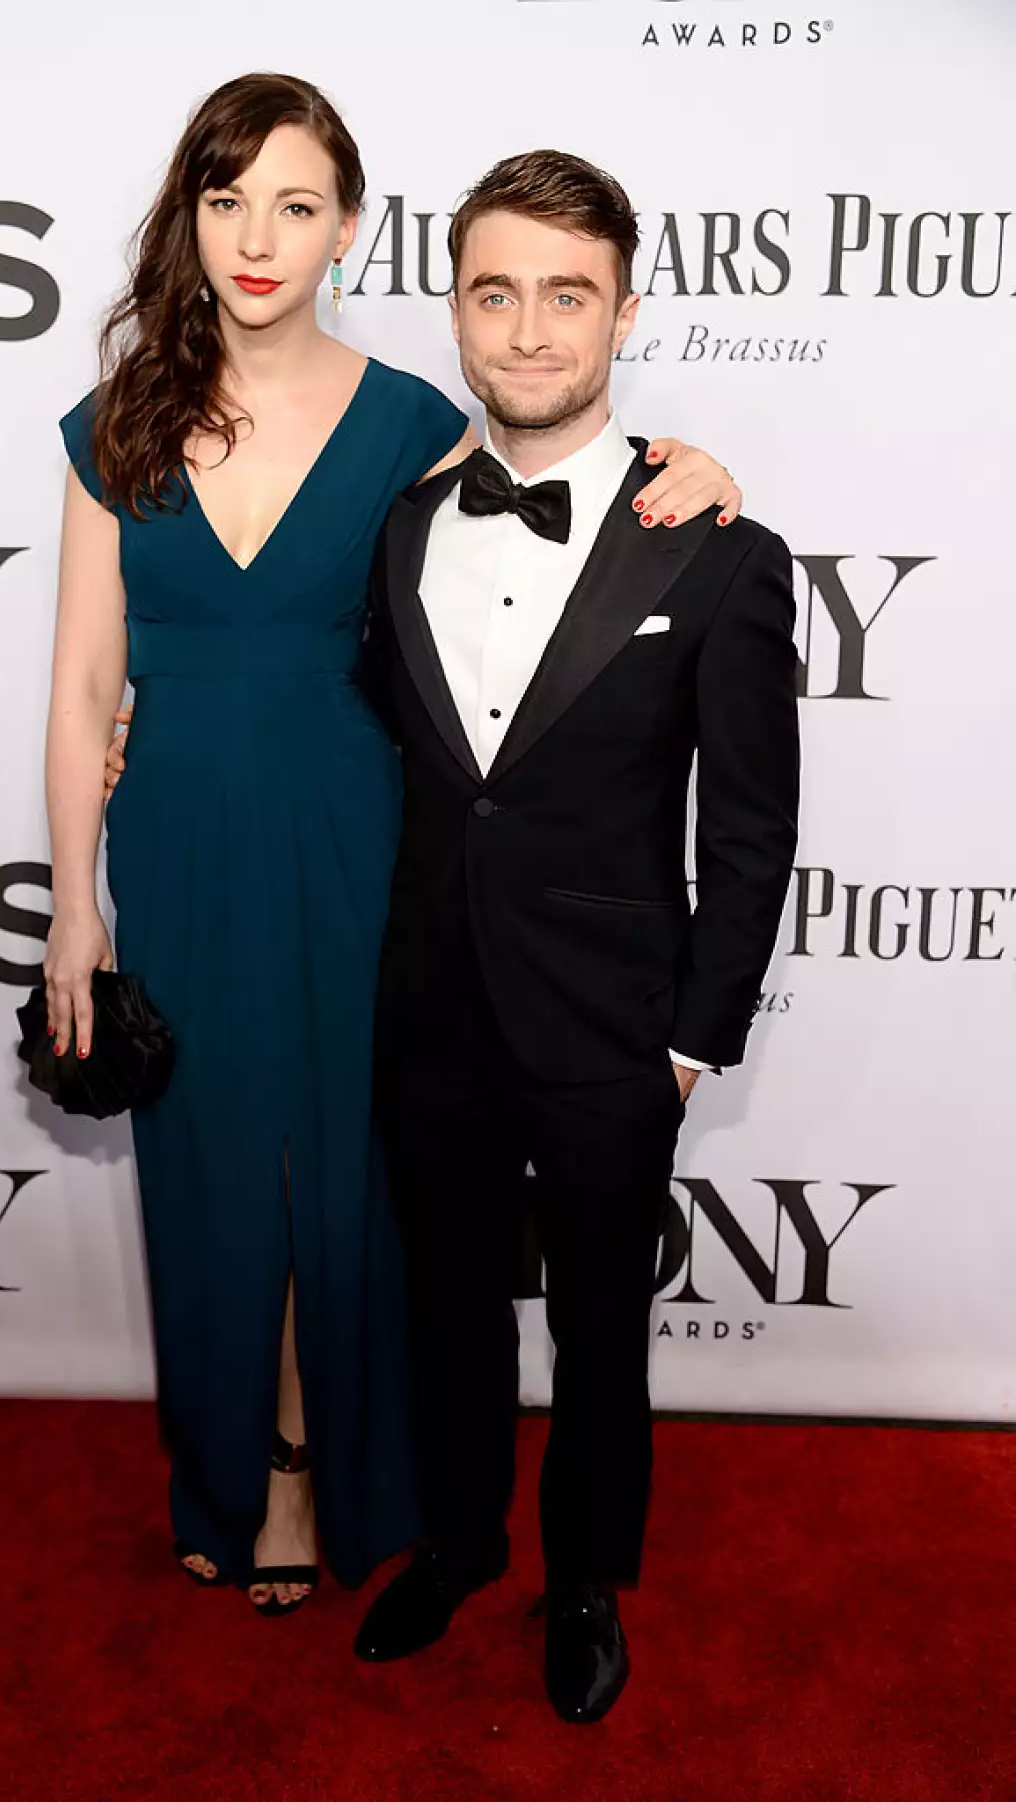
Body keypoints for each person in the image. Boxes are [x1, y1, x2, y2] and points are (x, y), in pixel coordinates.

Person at [53, 72, 742, 1615]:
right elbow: (81, 683)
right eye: (227, 199)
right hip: (180, 839)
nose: (257, 235)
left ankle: (333, 1465)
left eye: (296, 203)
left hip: (368, 841)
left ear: (348, 231)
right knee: (213, 1166)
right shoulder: (117, 425)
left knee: (356, 1181)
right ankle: (234, 1473)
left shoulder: (420, 427)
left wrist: (704, 474)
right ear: (189, 214)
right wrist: (70, 905)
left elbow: (555, 499)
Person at [350, 151, 800, 1722]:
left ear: (623, 308)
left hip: (617, 1023)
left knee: (607, 1324)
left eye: (566, 294)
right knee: (446, 1301)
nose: (529, 332)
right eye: (495, 292)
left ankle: (588, 1573)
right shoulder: (399, 532)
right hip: (429, 1002)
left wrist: (692, 1039)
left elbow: (749, 828)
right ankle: (461, 1540)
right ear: (453, 307)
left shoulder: (719, 547)